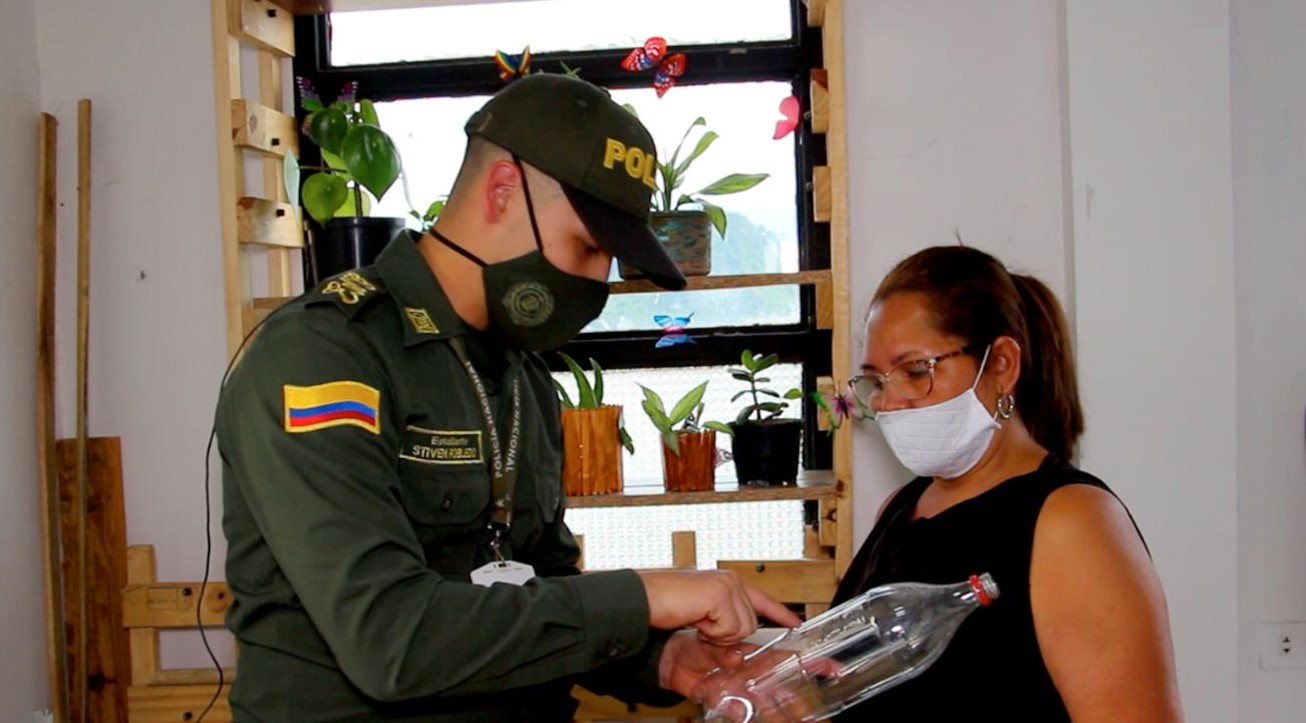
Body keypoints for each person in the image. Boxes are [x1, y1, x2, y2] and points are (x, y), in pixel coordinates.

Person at [216, 73, 799, 722]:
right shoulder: (326, 357)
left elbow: (537, 586)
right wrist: (643, 595)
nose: (594, 280)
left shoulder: (520, 378)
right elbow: (390, 638)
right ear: (502, 190)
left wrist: (658, 657)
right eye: (587, 246)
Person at [833, 246, 1182, 720]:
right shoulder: (900, 510)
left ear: (1001, 364)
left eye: (916, 371)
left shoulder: (1071, 522)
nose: (889, 402)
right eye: (877, 380)